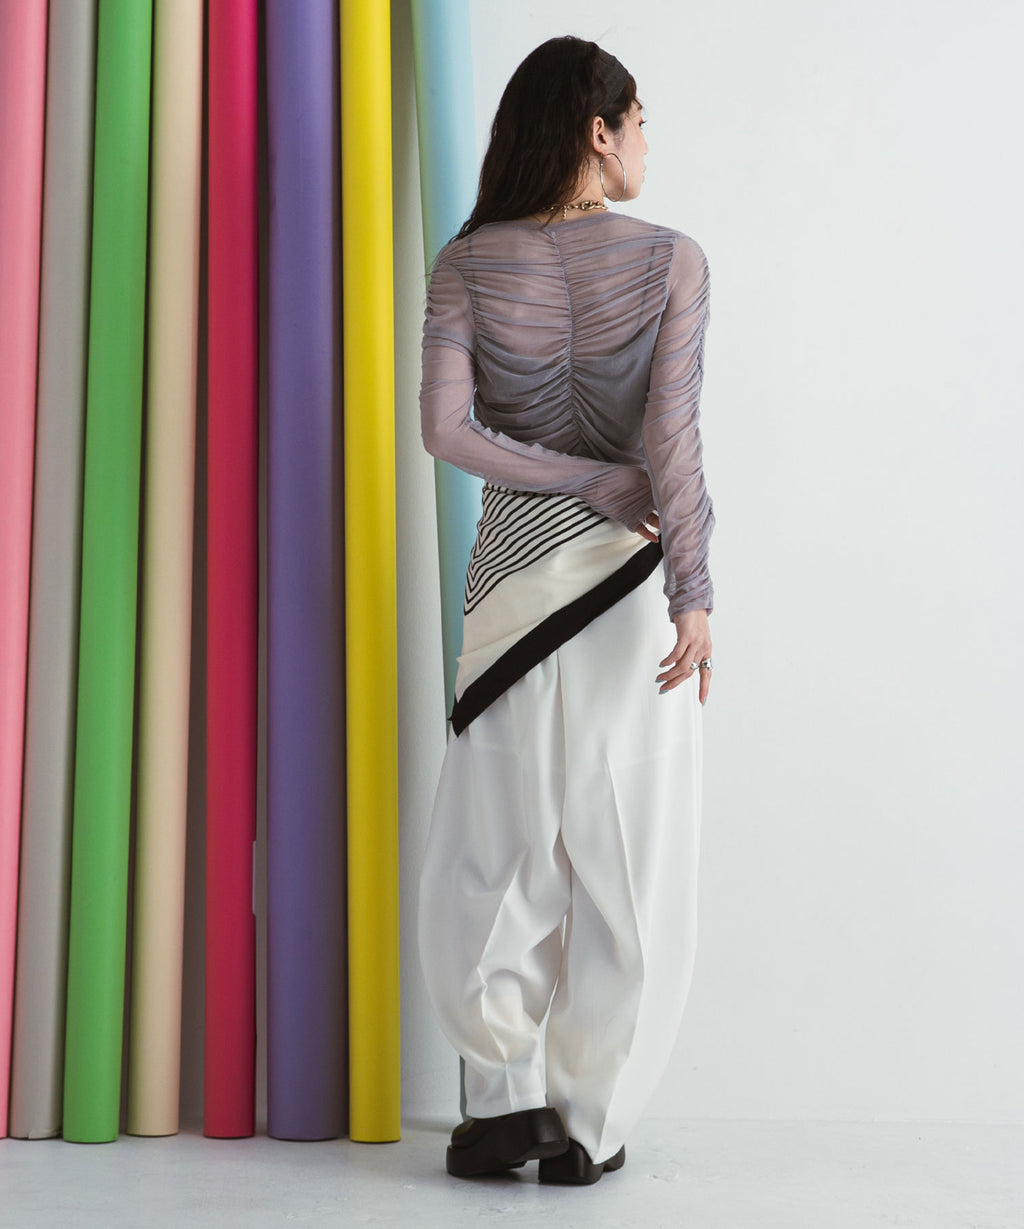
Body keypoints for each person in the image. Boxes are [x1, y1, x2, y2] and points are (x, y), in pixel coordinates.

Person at [417, 35, 715, 1186]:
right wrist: (694, 591)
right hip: (630, 594)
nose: (645, 142)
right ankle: (589, 1122)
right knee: (629, 860)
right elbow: (671, 443)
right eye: (638, 120)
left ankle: (502, 1106)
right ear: (599, 129)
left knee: (491, 851)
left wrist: (566, 480)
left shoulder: (466, 263)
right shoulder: (673, 259)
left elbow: (447, 432)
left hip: (509, 594)